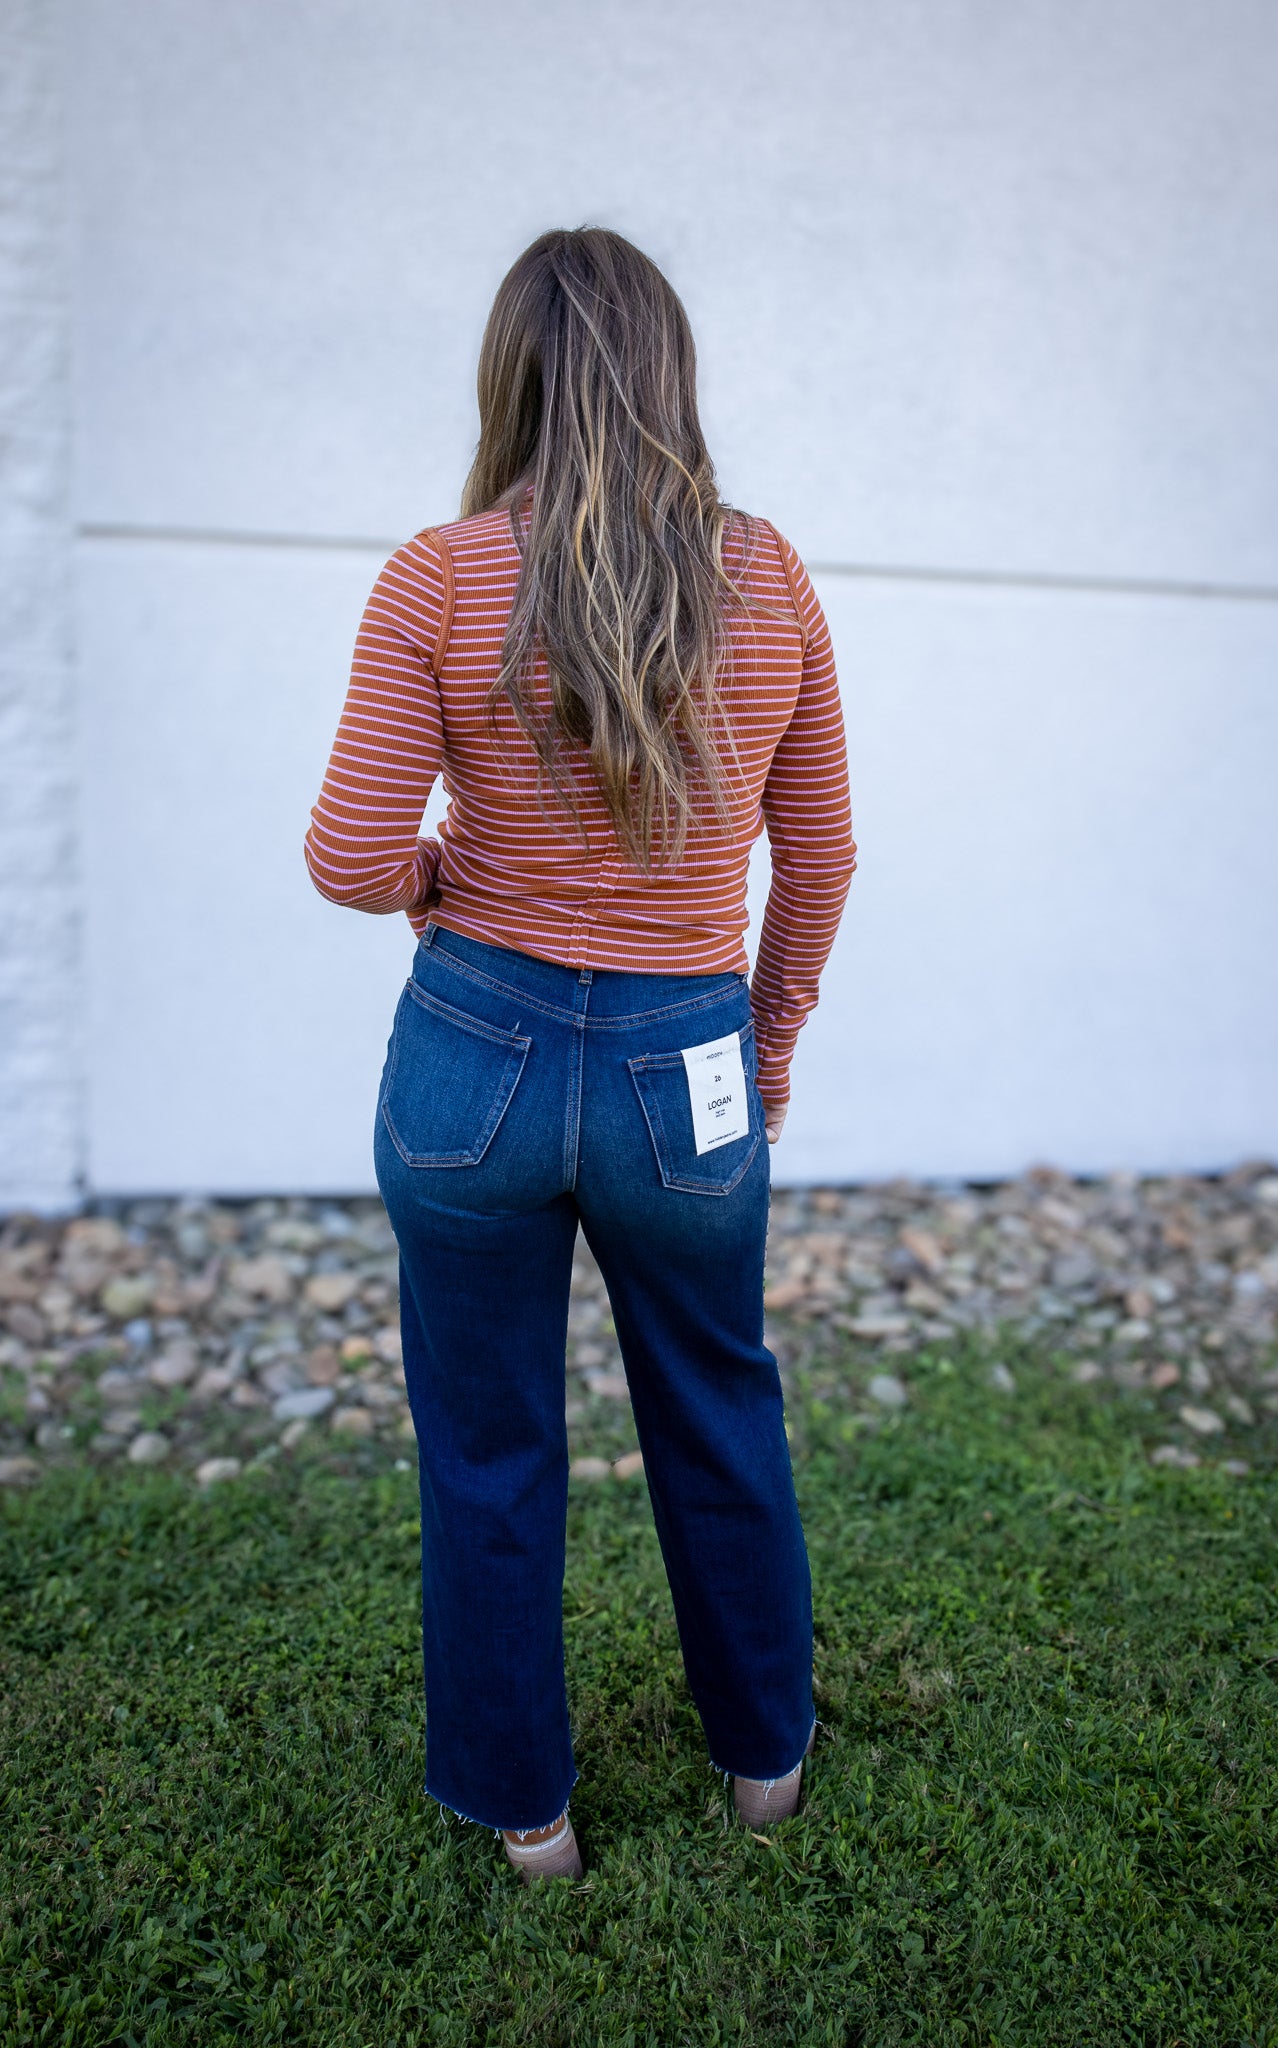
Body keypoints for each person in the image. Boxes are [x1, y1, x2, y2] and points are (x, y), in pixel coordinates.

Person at [305, 227, 855, 1882]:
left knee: (485, 1445)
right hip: (681, 1069)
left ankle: (524, 1818)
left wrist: (437, 891)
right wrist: (759, 1058)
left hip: (472, 1052)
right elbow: (815, 856)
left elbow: (346, 854)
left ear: (510, 376)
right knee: (719, 1410)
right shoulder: (766, 574)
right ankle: (764, 1765)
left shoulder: (443, 570)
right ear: (668, 371)